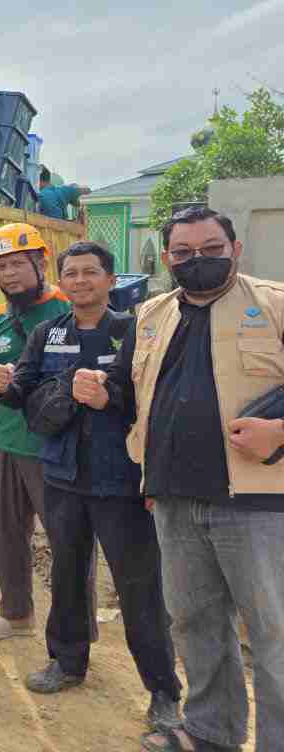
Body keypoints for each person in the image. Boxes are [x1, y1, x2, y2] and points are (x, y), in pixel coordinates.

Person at [101, 206, 284, 752]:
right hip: (174, 499)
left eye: (210, 249)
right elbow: (128, 391)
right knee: (195, 624)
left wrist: (279, 431)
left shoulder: (275, 305)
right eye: (183, 252)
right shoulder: (151, 315)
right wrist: (98, 388)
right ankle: (211, 732)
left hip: (258, 502)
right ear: (167, 258)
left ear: (235, 249)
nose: (196, 259)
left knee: (273, 632)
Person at [0, 242, 182, 730]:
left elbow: (156, 400)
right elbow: (23, 390)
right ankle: (67, 661)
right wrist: (1, 384)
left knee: (138, 586)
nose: (80, 281)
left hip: (121, 479)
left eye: (90, 272)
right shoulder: (47, 333)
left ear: (110, 280)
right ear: (61, 281)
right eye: (71, 273)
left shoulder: (135, 331)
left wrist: (108, 397)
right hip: (62, 475)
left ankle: (163, 689)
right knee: (68, 573)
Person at [0, 222, 92, 642]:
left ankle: (77, 628)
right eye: (1, 267)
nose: (10, 274)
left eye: (18, 263)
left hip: (57, 446)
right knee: (8, 534)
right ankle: (17, 615)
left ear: (41, 263)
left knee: (67, 538)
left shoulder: (67, 309)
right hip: (4, 443)